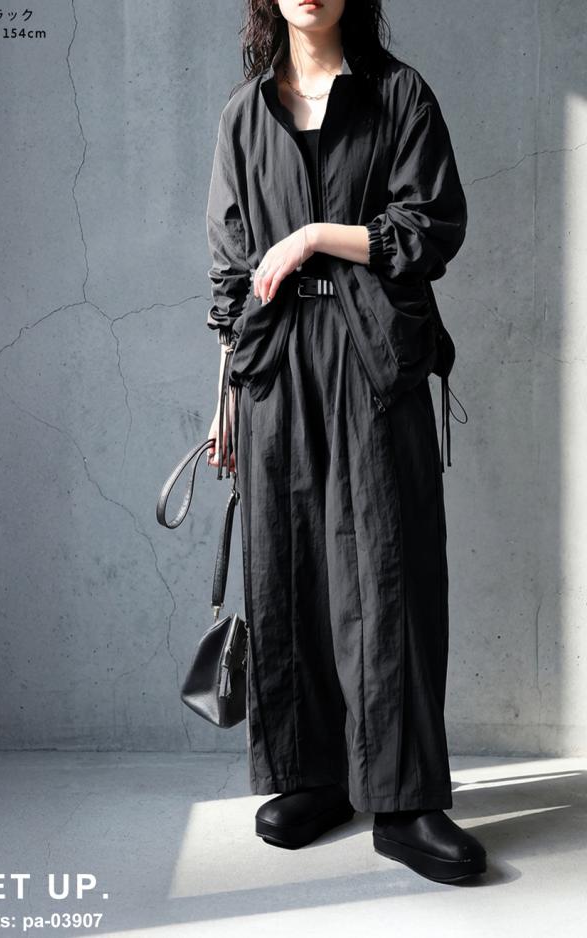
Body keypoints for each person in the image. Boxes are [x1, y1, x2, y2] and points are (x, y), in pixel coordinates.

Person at [204, 0, 487, 884]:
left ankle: (404, 801)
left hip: (375, 360)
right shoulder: (244, 116)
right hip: (275, 368)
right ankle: (312, 775)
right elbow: (230, 272)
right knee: (288, 568)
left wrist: (314, 236)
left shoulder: (398, 97)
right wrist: (223, 401)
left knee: (389, 574)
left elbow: (430, 226)